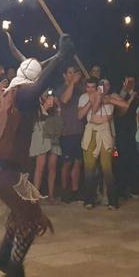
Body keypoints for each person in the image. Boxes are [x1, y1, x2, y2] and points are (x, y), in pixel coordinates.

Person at [0, 35, 74, 277]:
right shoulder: (22, 95)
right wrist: (61, 57)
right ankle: (13, 275)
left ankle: (4, 257)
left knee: (22, 212)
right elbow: (38, 89)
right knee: (32, 216)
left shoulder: (10, 95)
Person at [78, 78, 116, 209]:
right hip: (90, 132)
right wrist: (91, 100)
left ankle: (112, 201)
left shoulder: (107, 98)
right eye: (87, 87)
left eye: (92, 87)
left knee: (107, 168)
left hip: (104, 132)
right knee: (89, 169)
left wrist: (99, 98)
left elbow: (107, 117)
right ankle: (89, 200)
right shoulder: (83, 97)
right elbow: (80, 115)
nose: (89, 90)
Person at [56, 65, 84, 201]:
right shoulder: (61, 89)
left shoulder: (80, 90)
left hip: (79, 130)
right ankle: (64, 190)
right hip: (66, 131)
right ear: (64, 75)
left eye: (74, 73)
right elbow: (65, 100)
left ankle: (75, 190)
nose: (72, 75)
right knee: (66, 163)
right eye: (70, 72)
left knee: (78, 162)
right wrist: (72, 83)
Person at [31, 93, 61, 203]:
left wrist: (57, 106)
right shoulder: (35, 101)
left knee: (52, 166)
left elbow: (59, 116)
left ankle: (51, 195)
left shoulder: (53, 99)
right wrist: (45, 107)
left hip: (53, 131)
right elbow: (35, 117)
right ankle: (35, 194)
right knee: (40, 165)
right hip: (41, 133)